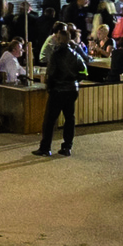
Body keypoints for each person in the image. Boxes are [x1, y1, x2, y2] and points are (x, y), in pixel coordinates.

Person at [38, 21, 84, 157]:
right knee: (70, 118)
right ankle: (67, 147)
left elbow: (50, 74)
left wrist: (49, 87)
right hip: (71, 90)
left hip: (58, 90)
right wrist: (75, 80)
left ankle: (45, 147)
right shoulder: (75, 55)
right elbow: (84, 71)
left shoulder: (56, 55)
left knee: (50, 120)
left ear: (59, 39)